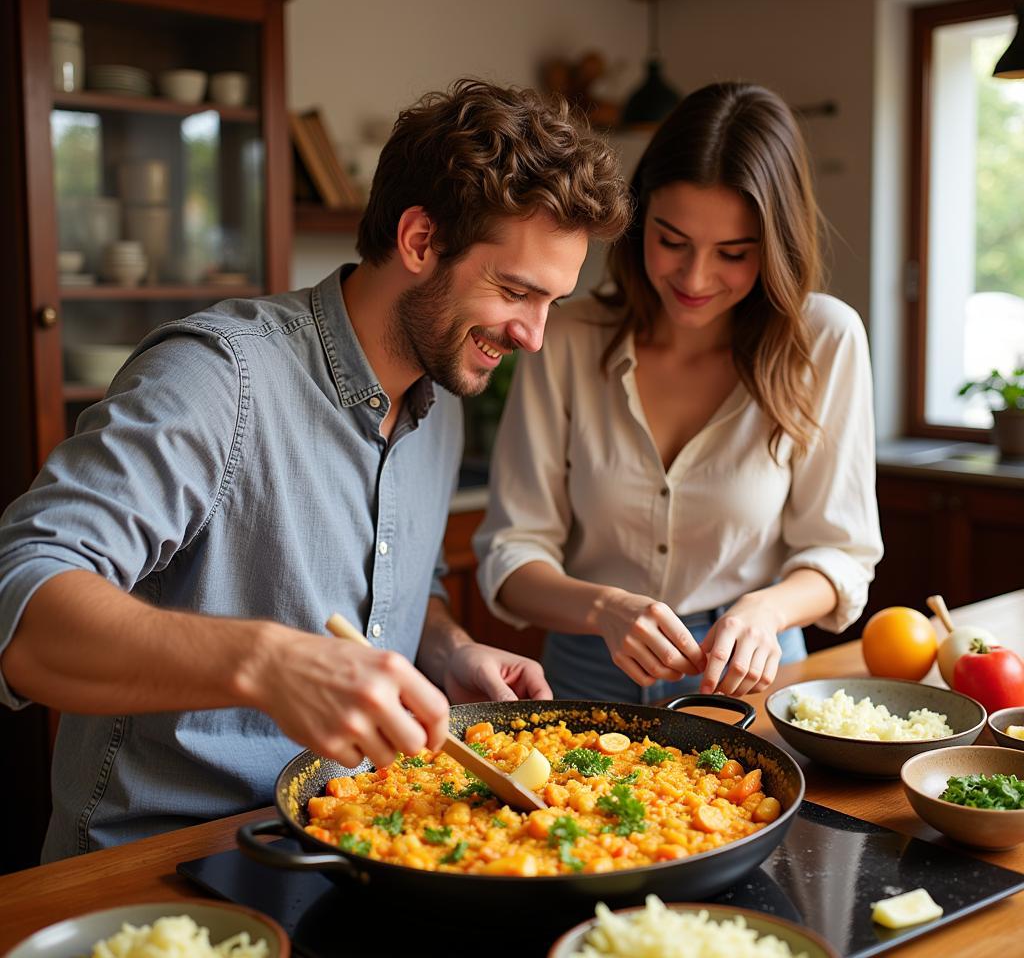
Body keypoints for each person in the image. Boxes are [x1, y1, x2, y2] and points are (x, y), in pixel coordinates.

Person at [0, 79, 630, 860]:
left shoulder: (443, 395)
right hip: (171, 863)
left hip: (353, 841)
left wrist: (449, 650)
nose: (533, 337)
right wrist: (263, 663)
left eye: (551, 304)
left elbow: (402, 590)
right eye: (515, 291)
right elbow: (22, 603)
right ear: (420, 240)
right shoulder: (216, 378)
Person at [474, 81, 883, 704]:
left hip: (753, 678)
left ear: (775, 249)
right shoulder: (566, 338)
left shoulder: (824, 339)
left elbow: (842, 552)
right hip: (585, 674)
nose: (694, 278)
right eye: (671, 241)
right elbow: (512, 553)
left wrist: (766, 611)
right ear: (638, 223)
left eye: (734, 253)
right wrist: (603, 606)